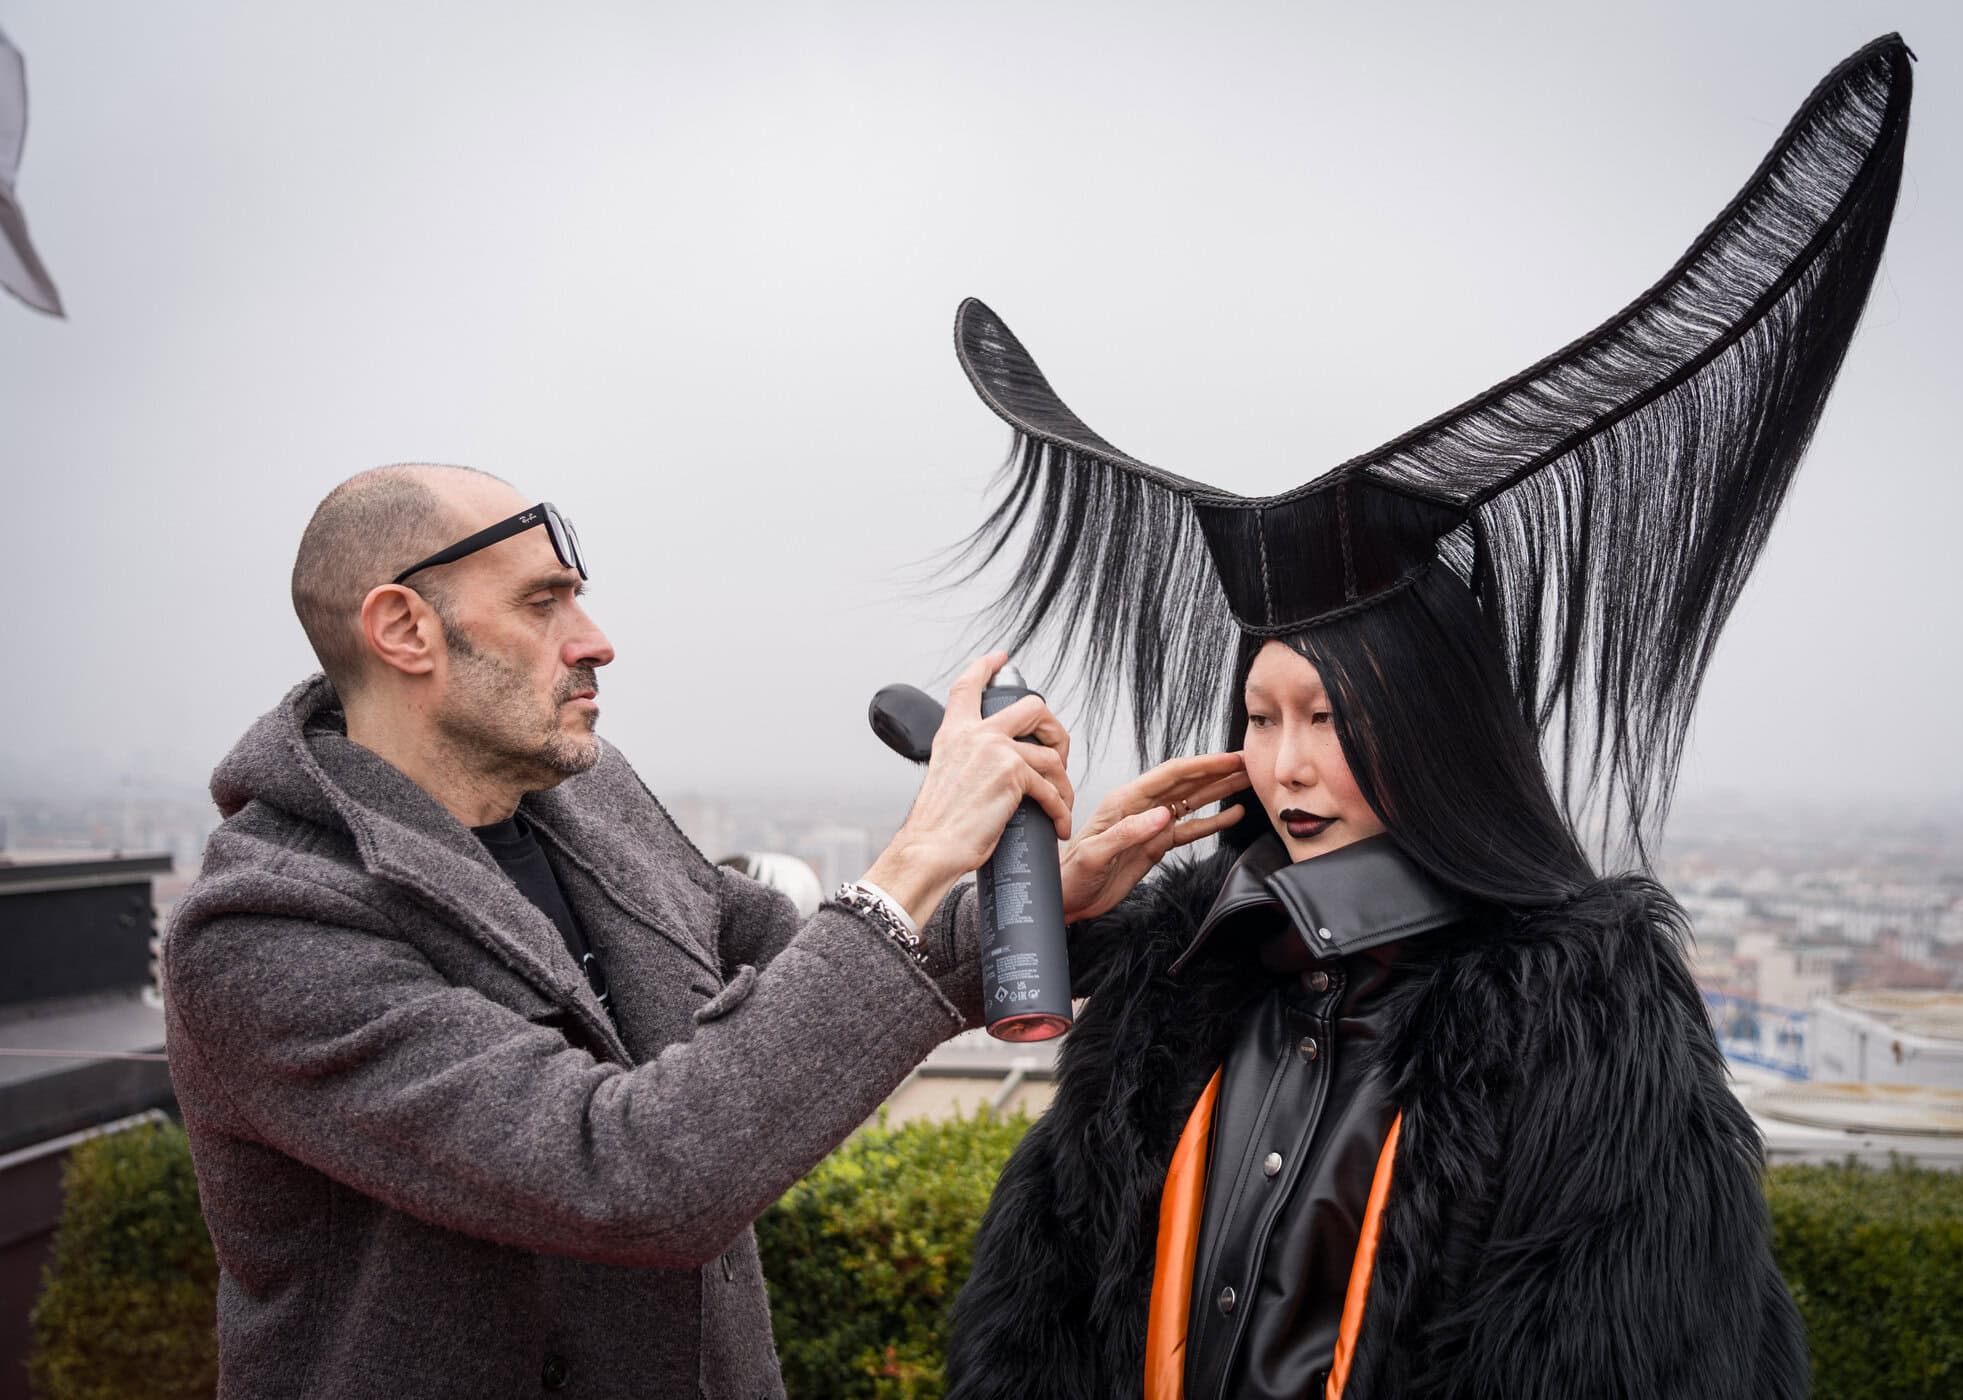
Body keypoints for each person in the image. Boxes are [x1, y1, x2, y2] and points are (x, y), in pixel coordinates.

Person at [938, 35, 1911, 1400]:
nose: (1286, 767)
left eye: (1330, 720)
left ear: (1439, 731)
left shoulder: (1584, 1022)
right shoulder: (1177, 983)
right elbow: (1042, 1331)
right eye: (1262, 717)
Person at [161, 461, 1244, 1399]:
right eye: (544, 603)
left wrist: (1039, 899)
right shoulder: (265, 927)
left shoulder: (591, 799)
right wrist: (916, 855)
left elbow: (785, 962)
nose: (597, 642)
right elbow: (628, 1175)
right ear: (403, 628)